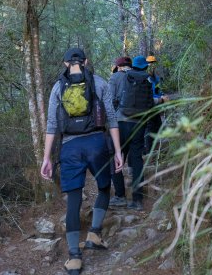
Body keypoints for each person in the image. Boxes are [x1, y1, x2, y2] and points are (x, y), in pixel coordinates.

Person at [40, 48, 123, 275]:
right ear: (86, 61)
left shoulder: (58, 88)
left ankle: (74, 258)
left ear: (66, 63)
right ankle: (95, 233)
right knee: (105, 187)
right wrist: (117, 151)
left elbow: (52, 125)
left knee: (73, 200)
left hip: (69, 147)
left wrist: (46, 158)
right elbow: (112, 119)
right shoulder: (99, 83)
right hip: (97, 142)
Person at [108, 55, 157, 210]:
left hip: (120, 122)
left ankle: (120, 196)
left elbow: (109, 100)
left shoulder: (117, 77)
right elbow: (150, 103)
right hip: (139, 123)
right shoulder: (147, 79)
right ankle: (137, 200)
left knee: (115, 157)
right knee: (136, 160)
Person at [145, 55, 166, 154]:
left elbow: (159, 90)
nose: (152, 65)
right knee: (149, 128)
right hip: (148, 106)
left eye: (153, 63)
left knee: (158, 126)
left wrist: (162, 97)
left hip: (156, 105)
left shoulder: (156, 78)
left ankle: (156, 149)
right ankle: (149, 152)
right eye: (150, 63)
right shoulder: (144, 78)